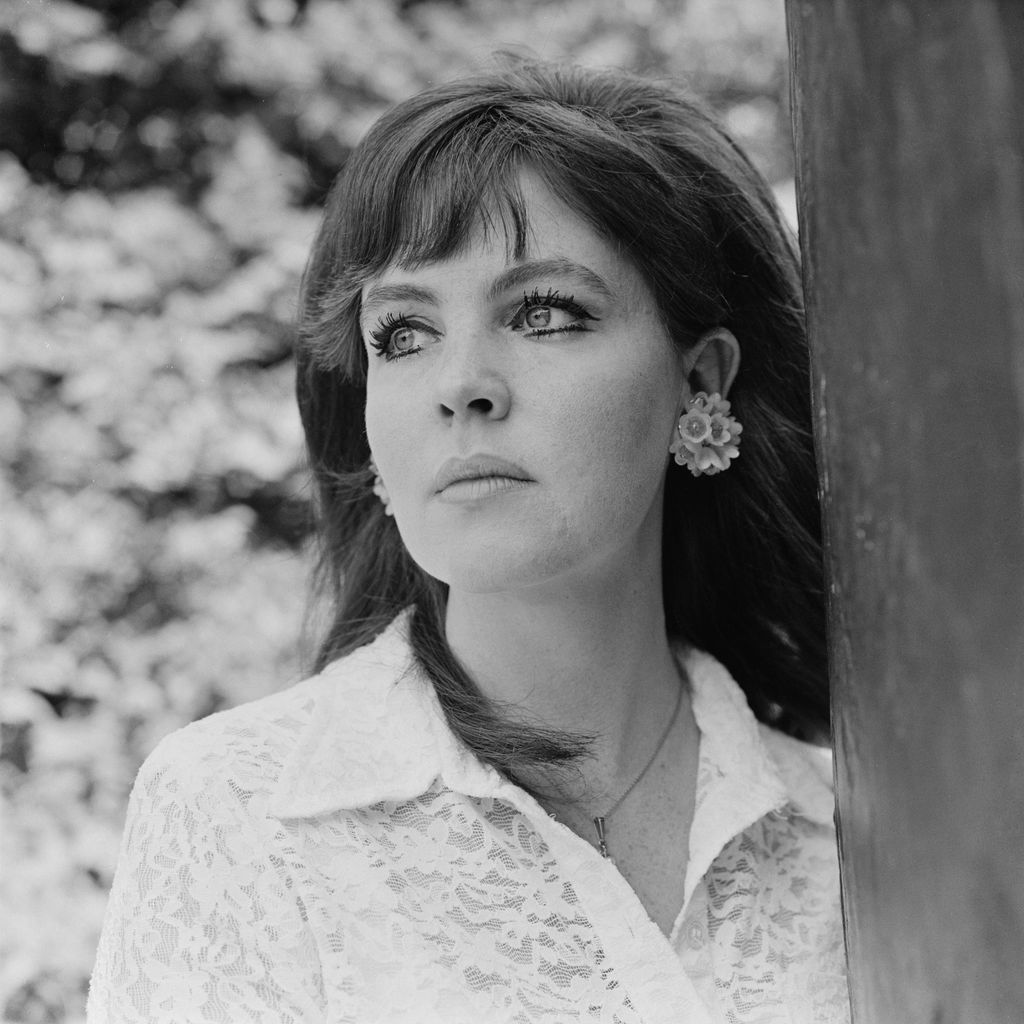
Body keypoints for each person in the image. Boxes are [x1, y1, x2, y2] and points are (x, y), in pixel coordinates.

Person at [88, 57, 849, 1023]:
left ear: (700, 382)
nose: (462, 383)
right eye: (403, 334)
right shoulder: (241, 814)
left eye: (543, 314)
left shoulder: (846, 829)